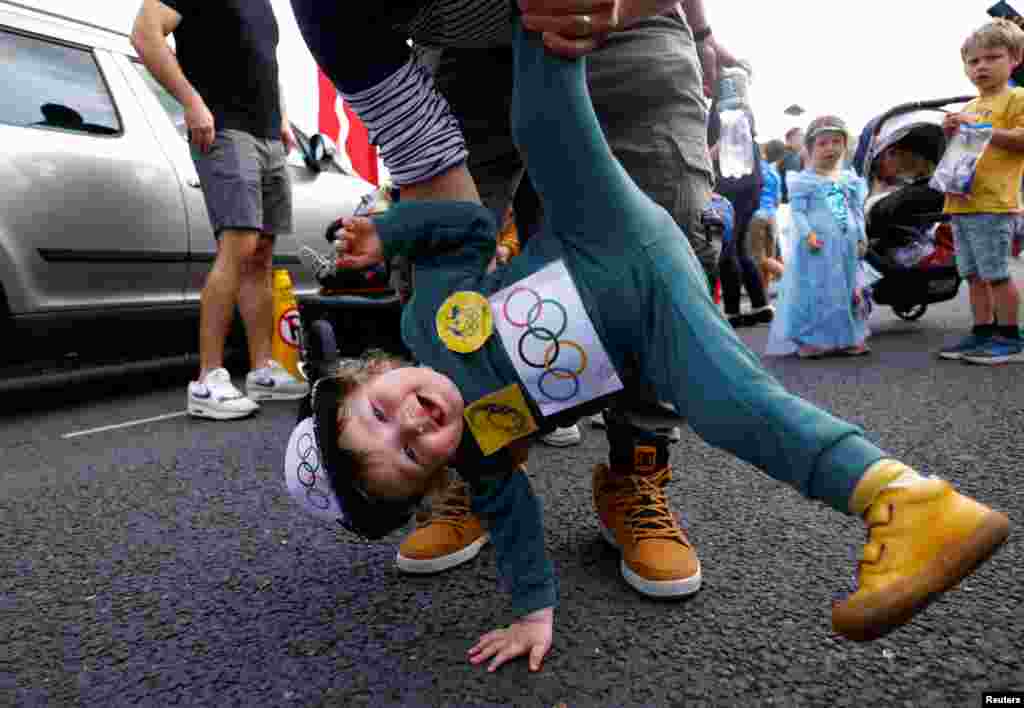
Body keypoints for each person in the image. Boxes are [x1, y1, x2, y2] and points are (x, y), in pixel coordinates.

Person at [283, 19, 1010, 674]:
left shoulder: (426, 322)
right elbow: (516, 526)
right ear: (429, 481)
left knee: (542, 116)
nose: (412, 425)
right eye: (410, 455)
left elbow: (465, 232)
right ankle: (909, 503)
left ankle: (540, 15)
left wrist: (391, 232)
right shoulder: (479, 457)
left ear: (372, 373)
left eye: (379, 414)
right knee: (737, 412)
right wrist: (533, 615)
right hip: (651, 331)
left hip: (597, 229)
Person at [289, 0, 735, 596]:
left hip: (624, 25)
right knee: (431, 273)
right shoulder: (332, 16)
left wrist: (664, 17)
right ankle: (476, 471)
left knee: (670, 235)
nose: (411, 419)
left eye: (381, 417)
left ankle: (637, 468)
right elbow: (447, 217)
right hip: (463, 57)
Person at [131, 0, 309, 421]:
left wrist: (281, 117)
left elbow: (265, 63)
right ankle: (207, 379)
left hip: (266, 135)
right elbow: (145, 34)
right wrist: (192, 103)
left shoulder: (264, 7)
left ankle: (263, 369)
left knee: (262, 252)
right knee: (239, 246)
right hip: (225, 129)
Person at [936, 19, 1024, 365]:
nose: (981, 66)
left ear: (1014, 58)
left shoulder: (1016, 97)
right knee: (971, 274)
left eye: (992, 57)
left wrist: (982, 129)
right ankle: (982, 331)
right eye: (973, 61)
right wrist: (951, 133)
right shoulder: (970, 106)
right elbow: (964, 149)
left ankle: (1010, 336)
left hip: (993, 201)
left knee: (996, 272)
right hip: (962, 201)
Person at [767, 116, 872, 359]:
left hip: (844, 246)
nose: (831, 148)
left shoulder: (847, 179)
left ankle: (847, 337)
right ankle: (813, 339)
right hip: (818, 246)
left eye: (836, 142)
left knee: (846, 290)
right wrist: (808, 234)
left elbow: (855, 211)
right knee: (817, 290)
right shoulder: (804, 181)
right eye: (823, 143)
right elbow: (798, 212)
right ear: (811, 148)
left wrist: (861, 236)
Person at [711, 105, 774, 328]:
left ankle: (733, 311)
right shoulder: (751, 141)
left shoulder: (726, 131)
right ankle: (760, 304)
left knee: (728, 252)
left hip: (730, 193)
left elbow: (715, 161)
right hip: (750, 195)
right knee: (740, 249)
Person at [751, 140, 786, 290]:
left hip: (756, 216)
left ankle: (790, 275)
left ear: (765, 149)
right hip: (772, 217)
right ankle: (763, 294)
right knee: (768, 256)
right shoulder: (775, 174)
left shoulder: (755, 168)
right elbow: (777, 201)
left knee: (758, 257)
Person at [778, 126, 805, 204]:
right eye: (801, 135)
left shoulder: (785, 153)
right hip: (788, 202)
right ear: (790, 139)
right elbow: (793, 184)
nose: (803, 138)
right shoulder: (791, 156)